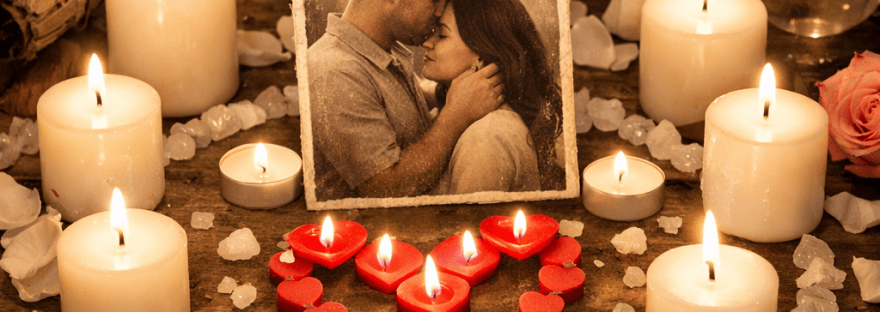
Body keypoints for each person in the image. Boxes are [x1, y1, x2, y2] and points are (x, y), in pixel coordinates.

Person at [307, 0, 505, 201]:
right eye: (435, 0)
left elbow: (394, 100)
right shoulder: (336, 72)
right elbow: (387, 189)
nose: (439, 11)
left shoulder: (381, 49)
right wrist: (455, 117)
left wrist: (453, 93)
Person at [423, 0, 565, 195]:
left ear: (481, 56)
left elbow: (470, 223)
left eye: (442, 35)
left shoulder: (485, 139)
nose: (427, 42)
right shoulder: (469, 113)